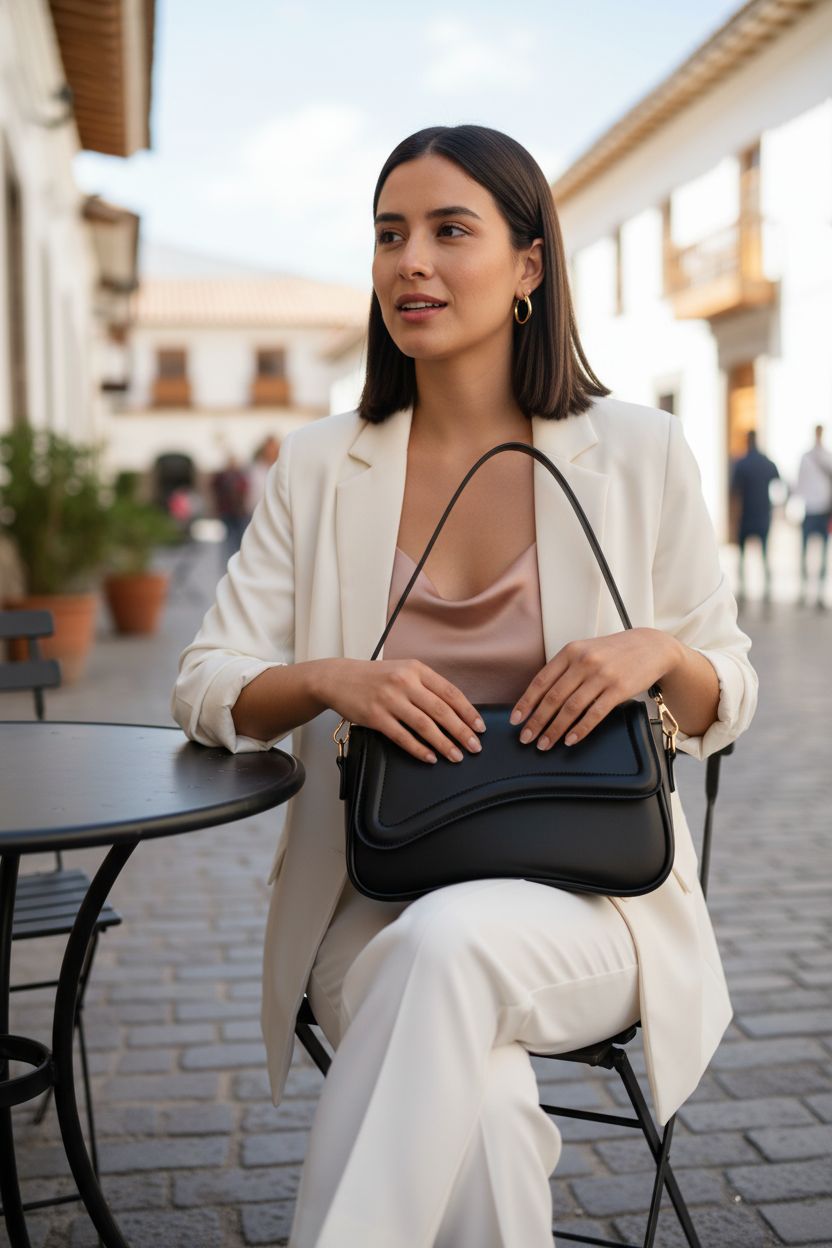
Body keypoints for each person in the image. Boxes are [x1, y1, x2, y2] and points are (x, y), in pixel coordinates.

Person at [172, 125, 758, 1247]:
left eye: (450, 231)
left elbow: (725, 687)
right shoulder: (318, 464)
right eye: (390, 235)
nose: (410, 263)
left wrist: (657, 656)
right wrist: (332, 680)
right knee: (476, 1098)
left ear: (528, 266)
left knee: (450, 953)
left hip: (599, 907)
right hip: (372, 905)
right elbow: (207, 684)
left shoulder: (638, 453)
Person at [729, 429, 780, 603]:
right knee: (765, 555)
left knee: (742, 557)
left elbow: (734, 493)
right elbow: (779, 485)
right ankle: (767, 591)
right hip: (763, 515)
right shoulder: (767, 462)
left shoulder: (741, 464)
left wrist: (733, 519)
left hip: (746, 515)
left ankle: (743, 590)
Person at [795, 424, 832, 608]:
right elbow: (800, 482)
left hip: (823, 510)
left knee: (823, 555)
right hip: (810, 509)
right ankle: (804, 591)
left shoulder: (826, 457)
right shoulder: (807, 457)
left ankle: (819, 594)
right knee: (805, 553)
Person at [210, 452, 250, 564]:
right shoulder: (223, 477)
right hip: (227, 511)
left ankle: (239, 559)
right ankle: (230, 559)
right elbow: (215, 489)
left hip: (238, 511)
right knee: (229, 537)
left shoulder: (239, 477)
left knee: (239, 537)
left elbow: (245, 492)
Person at [248, 434, 281, 511]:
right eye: (268, 448)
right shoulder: (256, 469)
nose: (270, 452)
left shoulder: (282, 469)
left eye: (273, 448)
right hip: (257, 510)